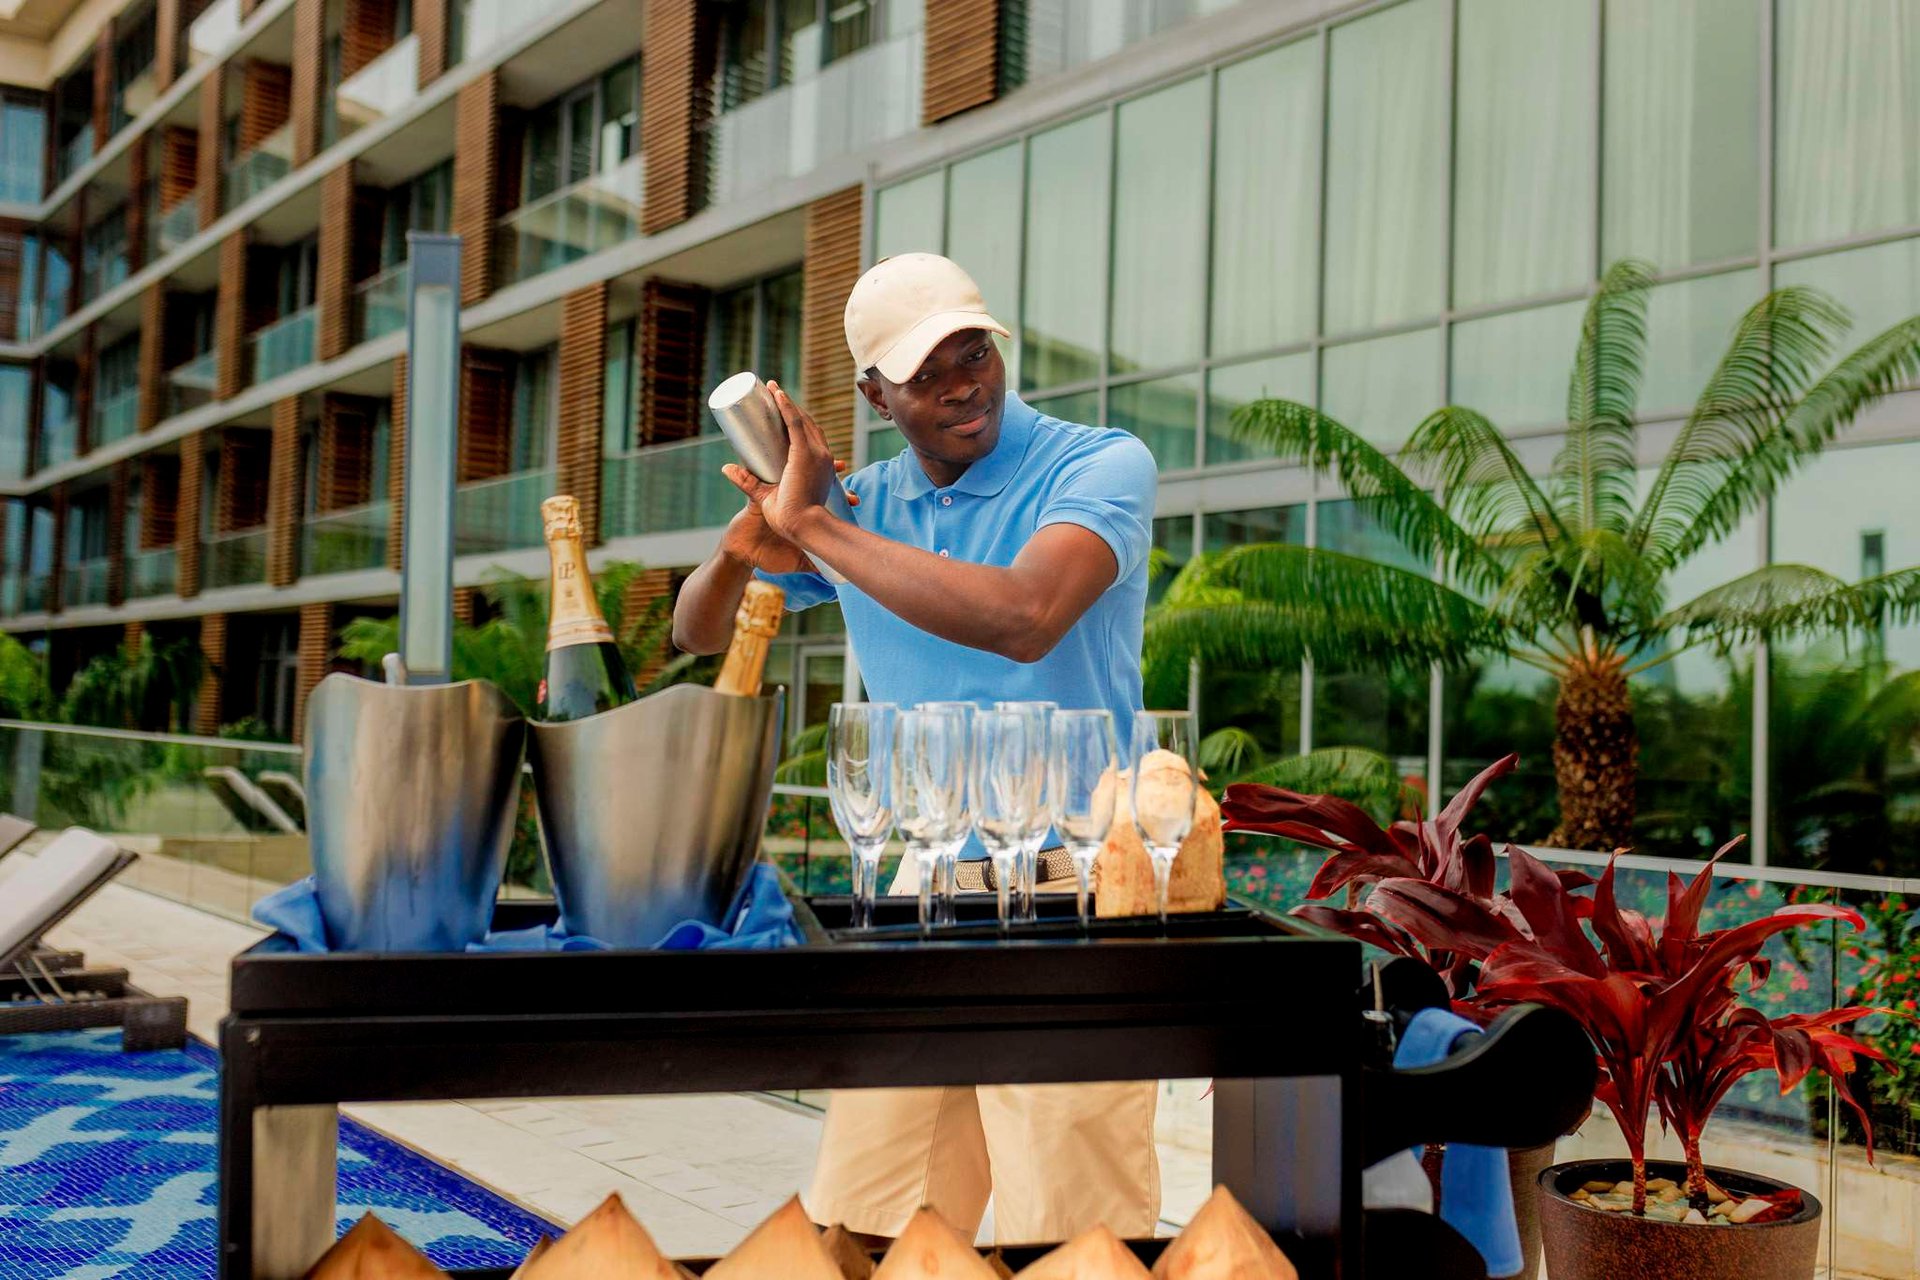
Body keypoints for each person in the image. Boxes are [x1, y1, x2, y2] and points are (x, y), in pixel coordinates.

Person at [672, 252, 1160, 1246]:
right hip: (923, 875)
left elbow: (1026, 615)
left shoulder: (1099, 462)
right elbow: (694, 631)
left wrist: (816, 524)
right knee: (865, 1220)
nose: (963, 384)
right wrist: (748, 542)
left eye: (972, 351)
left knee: (1072, 1233)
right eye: (926, 370)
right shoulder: (866, 509)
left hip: (1077, 878)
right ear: (874, 395)